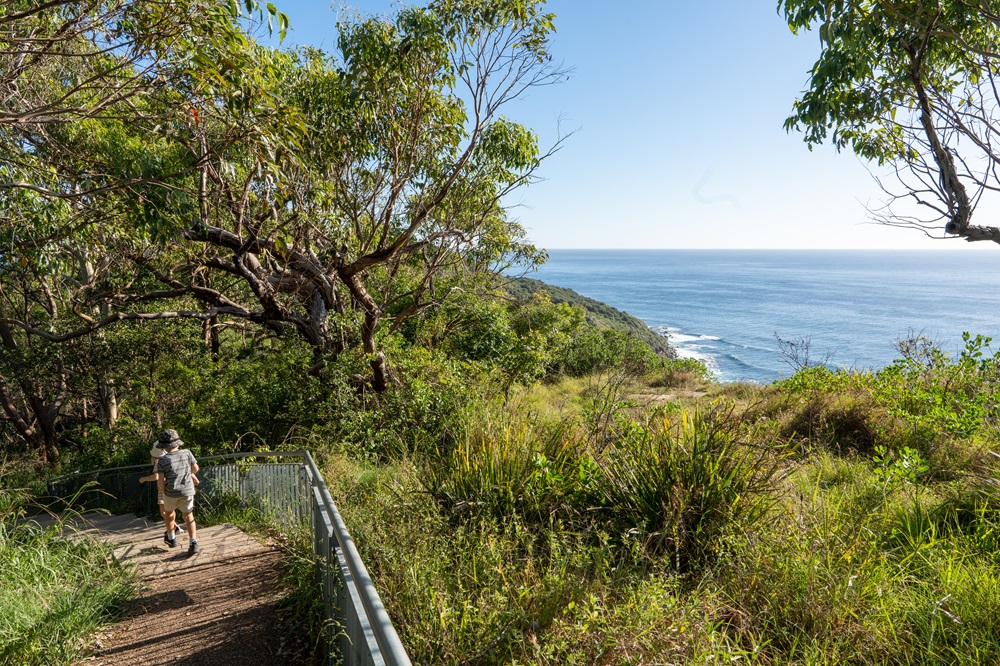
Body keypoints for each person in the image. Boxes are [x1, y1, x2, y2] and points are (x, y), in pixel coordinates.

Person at [152, 429, 201, 555]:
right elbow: (195, 468)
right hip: (187, 491)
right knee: (189, 516)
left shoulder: (161, 461)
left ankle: (171, 538)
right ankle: (193, 542)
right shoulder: (187, 453)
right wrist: (188, 475)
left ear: (163, 447)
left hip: (171, 492)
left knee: (169, 513)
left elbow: (161, 481)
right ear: (178, 443)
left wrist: (165, 492)